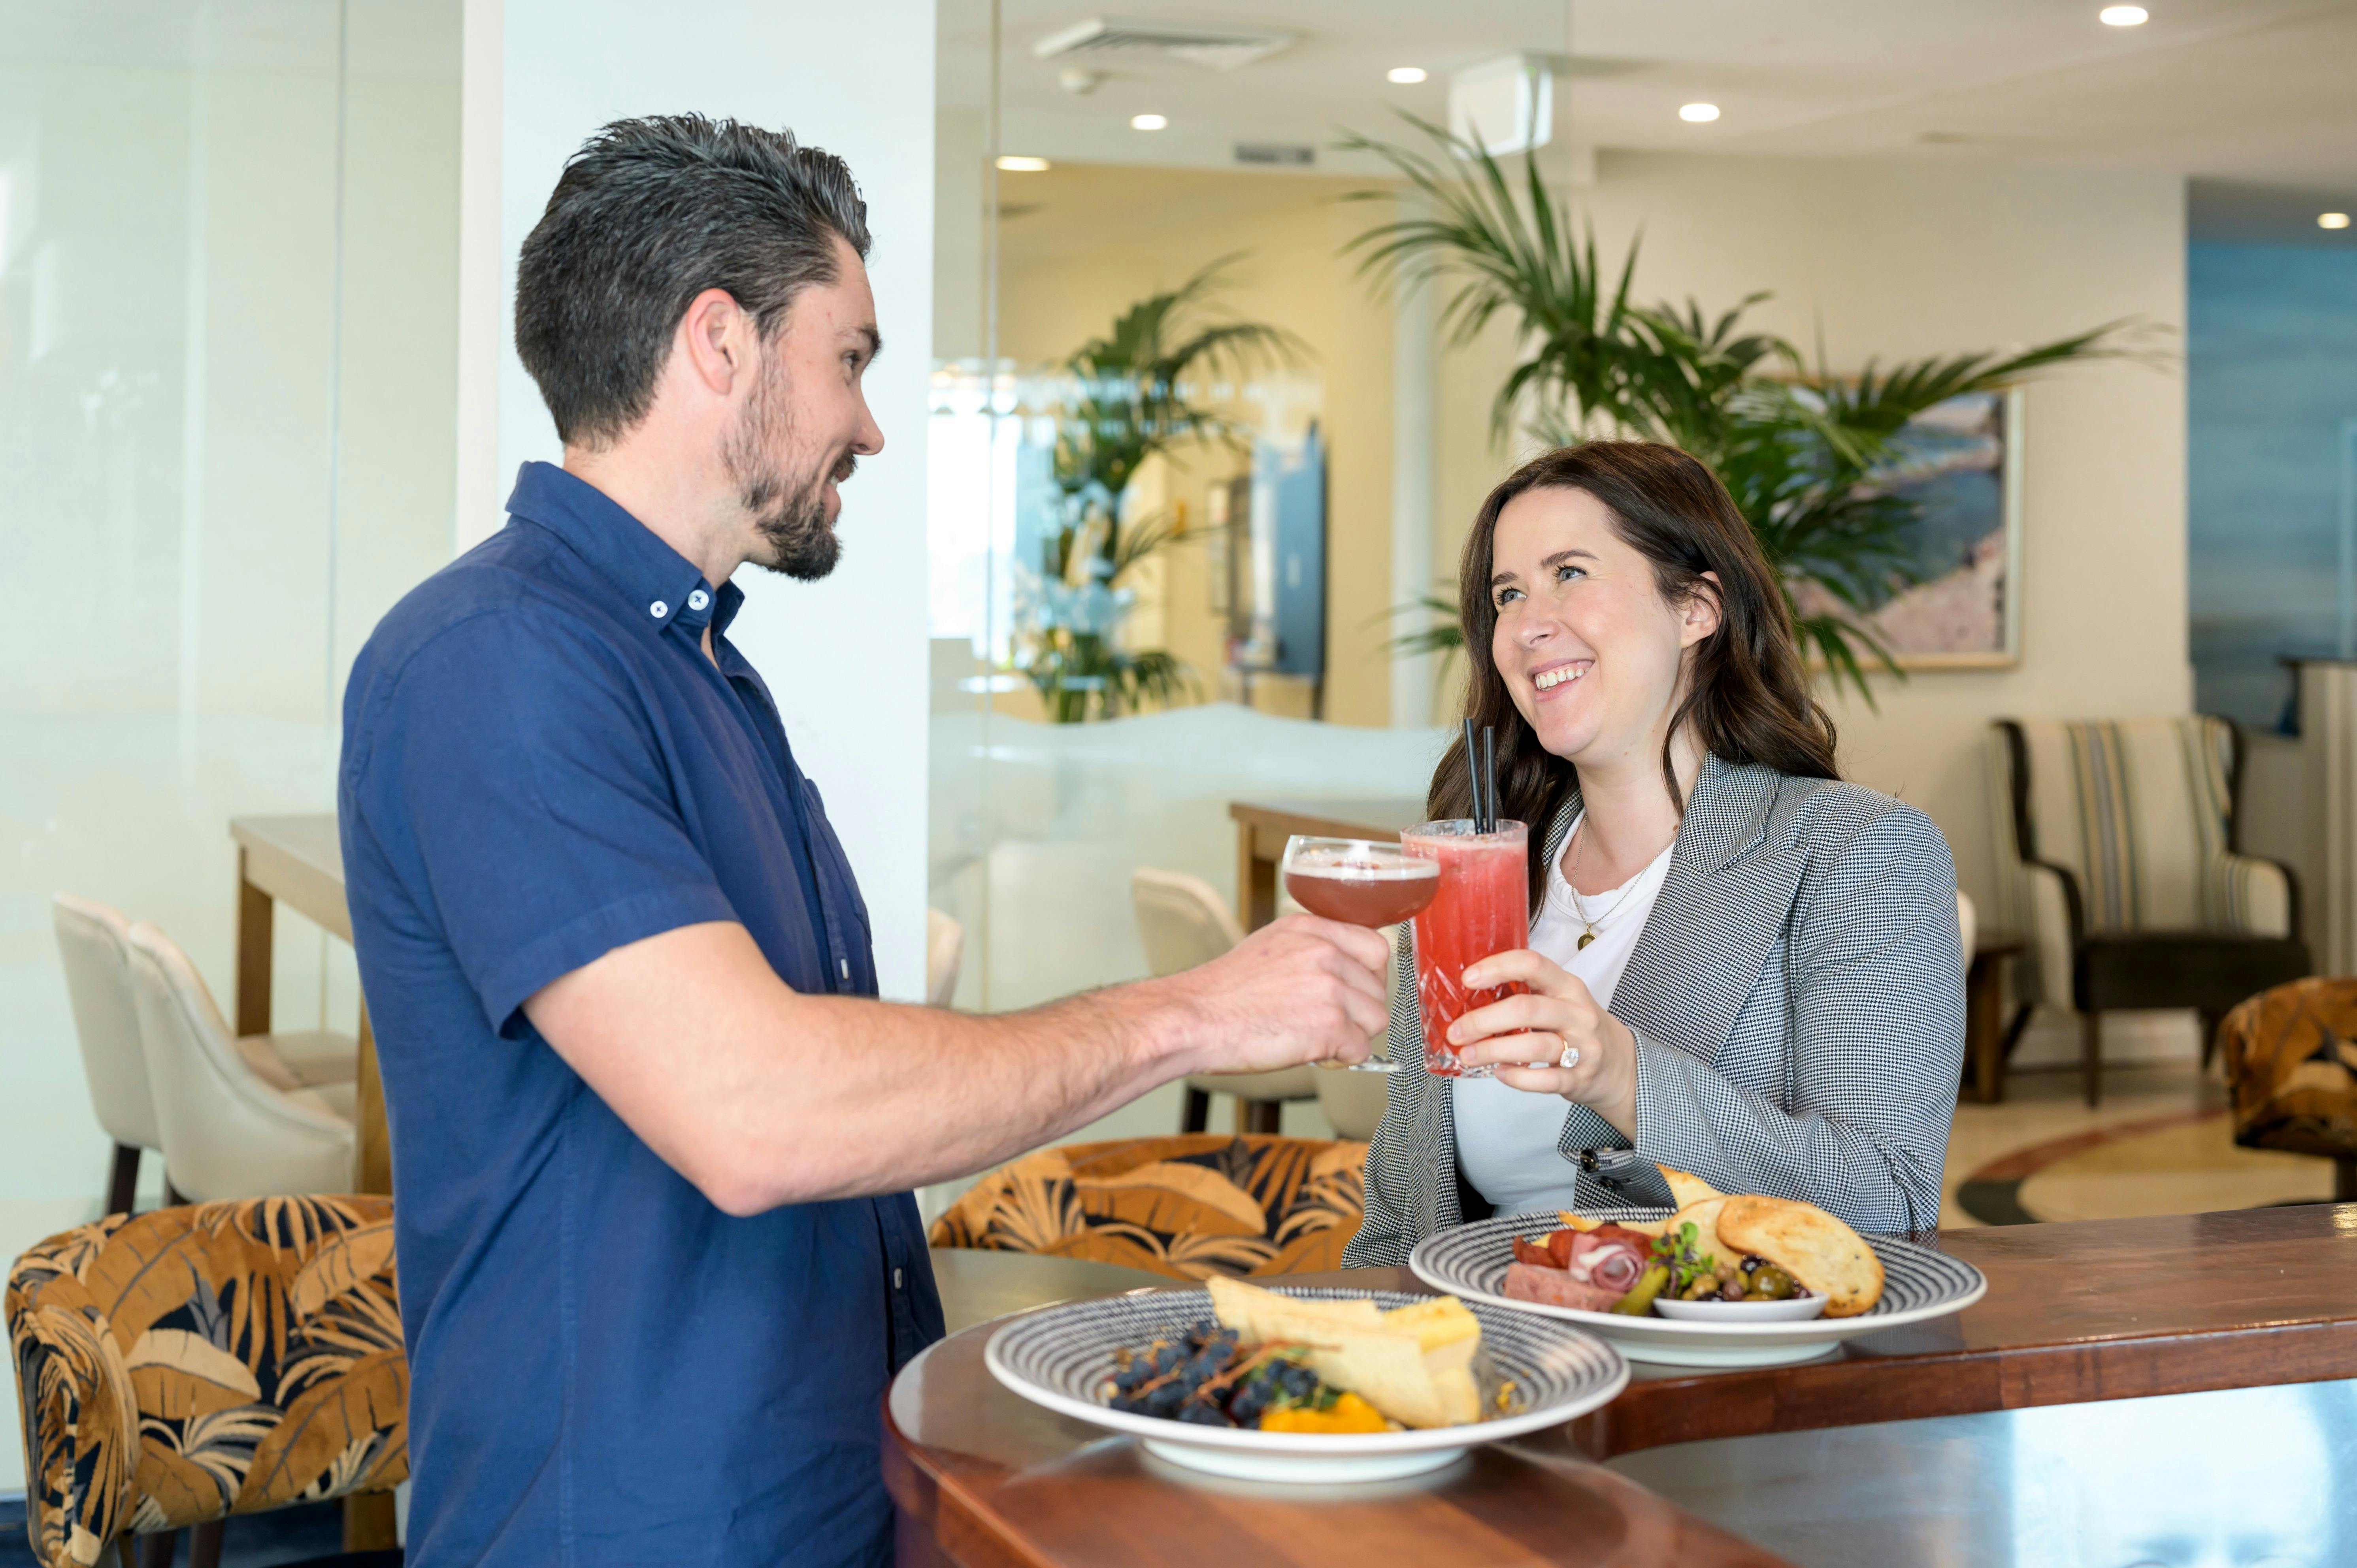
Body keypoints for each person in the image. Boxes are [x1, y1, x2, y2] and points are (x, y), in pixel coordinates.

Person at [338, 115, 1389, 1568]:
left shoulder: (694, 666)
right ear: (720, 343)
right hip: (627, 1526)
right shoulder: (496, 662)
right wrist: (1200, 1007)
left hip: (819, 1498)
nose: (872, 422)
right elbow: (758, 1112)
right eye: (851, 357)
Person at [1343, 441, 1963, 1266]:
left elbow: (1890, 1199)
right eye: (1508, 592)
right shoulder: (1475, 874)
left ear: (1697, 608)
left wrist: (1620, 1075)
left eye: (1571, 573)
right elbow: (1395, 1224)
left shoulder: (1860, 852)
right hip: (1498, 1370)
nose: (1528, 624)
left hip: (1723, 1372)